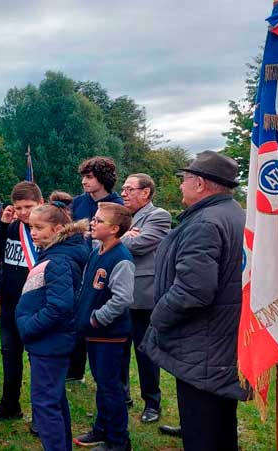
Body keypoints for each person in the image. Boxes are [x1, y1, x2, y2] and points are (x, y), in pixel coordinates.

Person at [141, 151, 246, 451]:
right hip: (222, 342)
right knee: (220, 426)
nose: (180, 186)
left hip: (204, 345)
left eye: (184, 179)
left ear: (200, 184)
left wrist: (157, 319)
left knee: (203, 433)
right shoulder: (235, 214)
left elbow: (193, 290)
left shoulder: (205, 222)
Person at [16, 194, 89, 451]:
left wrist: (29, 326)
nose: (32, 232)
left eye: (38, 227)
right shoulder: (57, 251)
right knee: (55, 398)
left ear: (57, 229)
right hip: (51, 340)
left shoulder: (58, 259)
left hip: (50, 340)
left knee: (45, 403)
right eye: (31, 227)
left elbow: (60, 305)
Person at [73, 203, 135, 451]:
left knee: (111, 387)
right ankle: (101, 429)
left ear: (114, 229)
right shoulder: (96, 251)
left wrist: (97, 318)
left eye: (99, 221)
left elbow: (122, 298)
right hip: (94, 333)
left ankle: (119, 441)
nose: (93, 223)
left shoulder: (121, 258)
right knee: (102, 383)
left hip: (108, 334)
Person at [0, 181, 43, 424]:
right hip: (10, 303)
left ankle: (42, 413)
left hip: (37, 305)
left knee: (39, 359)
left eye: (28, 206)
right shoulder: (13, 226)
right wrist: (3, 224)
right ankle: (10, 404)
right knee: (9, 355)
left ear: (41, 203)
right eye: (19, 207)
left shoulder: (49, 228)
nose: (23, 212)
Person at [119, 174, 171, 424]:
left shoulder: (158, 216)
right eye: (123, 189)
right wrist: (125, 233)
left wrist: (118, 236)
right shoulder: (122, 215)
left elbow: (140, 244)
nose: (124, 193)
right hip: (119, 294)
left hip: (143, 296)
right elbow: (97, 240)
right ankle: (122, 395)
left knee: (145, 352)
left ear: (146, 192)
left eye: (130, 189)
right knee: (118, 349)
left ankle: (152, 402)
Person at [68, 156, 124, 383]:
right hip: (78, 265)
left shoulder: (117, 205)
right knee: (78, 314)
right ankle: (75, 370)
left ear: (103, 178)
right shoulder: (79, 202)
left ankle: (114, 380)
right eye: (83, 177)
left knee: (101, 315)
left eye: (89, 177)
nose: (84, 181)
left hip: (105, 268)